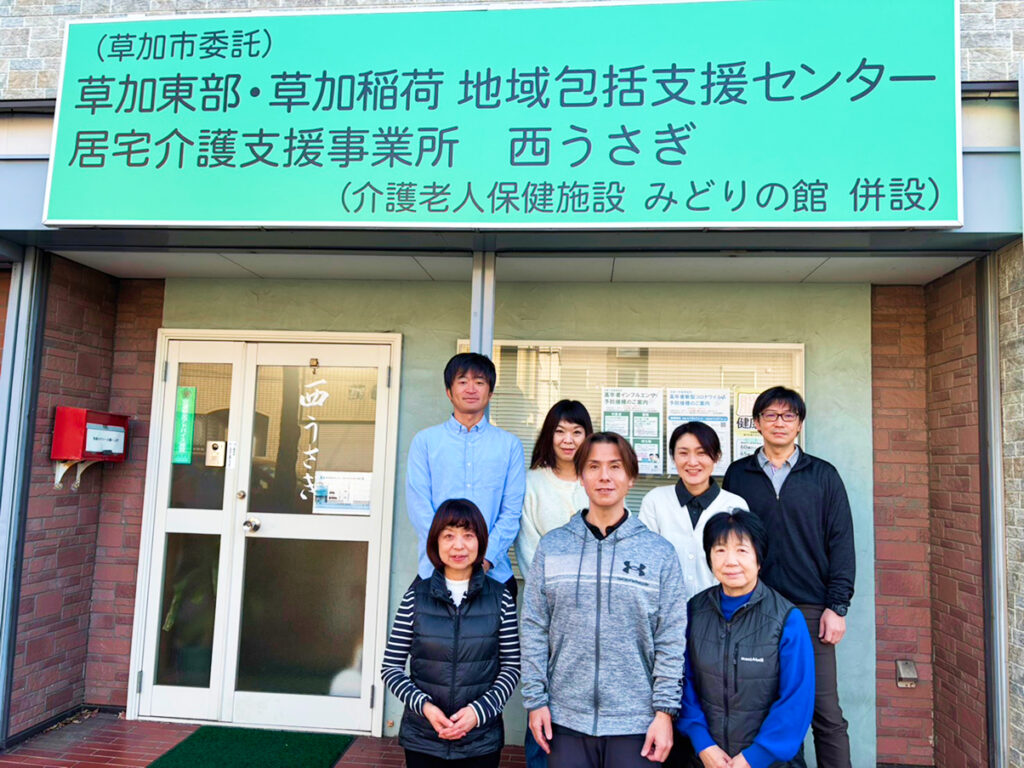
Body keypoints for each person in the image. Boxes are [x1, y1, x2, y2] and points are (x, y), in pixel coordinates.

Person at [520, 432, 686, 768]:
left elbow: (671, 637)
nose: (604, 476)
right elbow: (534, 626)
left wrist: (664, 712)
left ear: (631, 478)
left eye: (615, 466)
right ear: (581, 477)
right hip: (565, 718)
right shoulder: (553, 547)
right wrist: (535, 700)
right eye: (593, 466)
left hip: (636, 721)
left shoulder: (658, 553)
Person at [722, 387, 855, 768]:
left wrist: (837, 606)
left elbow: (841, 542)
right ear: (757, 423)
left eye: (788, 416)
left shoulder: (823, 475)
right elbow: (730, 541)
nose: (779, 422)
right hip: (754, 608)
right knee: (767, 710)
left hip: (810, 609)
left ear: (799, 424)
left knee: (825, 712)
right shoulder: (739, 475)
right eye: (770, 415)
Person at [381, 499, 521, 768]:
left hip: (480, 740)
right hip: (423, 738)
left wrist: (478, 713)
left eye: (468, 535)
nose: (458, 546)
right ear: (435, 542)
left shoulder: (500, 597)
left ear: (481, 541)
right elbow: (391, 668)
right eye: (448, 536)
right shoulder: (415, 596)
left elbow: (511, 668)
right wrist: (425, 708)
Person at [676, 509, 814, 768]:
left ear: (759, 558)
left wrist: (754, 757)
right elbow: (683, 682)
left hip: (771, 763)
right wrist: (703, 744)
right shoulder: (694, 611)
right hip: (705, 759)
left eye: (741, 550)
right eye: (720, 550)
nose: (730, 561)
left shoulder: (787, 619)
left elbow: (797, 699)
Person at [514, 399, 593, 768]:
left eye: (577, 431)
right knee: (542, 695)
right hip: (546, 608)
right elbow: (529, 548)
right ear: (549, 435)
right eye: (560, 431)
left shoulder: (596, 479)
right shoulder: (532, 483)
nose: (568, 439)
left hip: (596, 611)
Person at [406, 352, 526, 595]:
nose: (471, 389)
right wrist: (447, 556)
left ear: (490, 393)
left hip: (494, 576)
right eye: (462, 381)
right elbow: (419, 508)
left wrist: (485, 559)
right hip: (435, 573)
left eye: (479, 382)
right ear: (448, 392)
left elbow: (511, 511)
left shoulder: (510, 445)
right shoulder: (425, 442)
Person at [639, 421, 749, 599]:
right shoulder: (655, 501)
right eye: (683, 453)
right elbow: (645, 560)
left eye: (701, 453)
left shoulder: (734, 505)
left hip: (718, 609)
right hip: (665, 608)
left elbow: (740, 565)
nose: (692, 462)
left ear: (716, 457)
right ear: (673, 457)